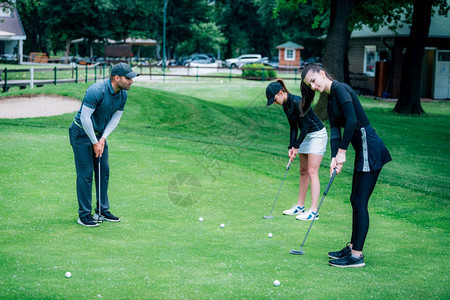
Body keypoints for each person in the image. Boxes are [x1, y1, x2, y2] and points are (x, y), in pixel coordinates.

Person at [300, 63, 392, 267]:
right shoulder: (331, 98)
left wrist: (342, 152)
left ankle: (357, 256)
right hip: (363, 150)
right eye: (310, 85)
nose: (313, 86)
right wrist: (334, 157)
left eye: (314, 81)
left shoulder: (340, 89)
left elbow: (351, 121)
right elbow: (335, 130)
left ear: (322, 74)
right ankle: (353, 246)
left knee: (359, 201)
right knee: (355, 199)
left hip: (370, 146)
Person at [69, 63, 138, 227]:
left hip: (98, 135)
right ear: (117, 78)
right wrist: (94, 142)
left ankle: (101, 210)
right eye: (128, 78)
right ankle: (84, 215)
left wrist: (103, 138)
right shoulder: (96, 90)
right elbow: (85, 119)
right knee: (86, 173)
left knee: (103, 171)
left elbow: (115, 118)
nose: (131, 82)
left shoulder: (122, 95)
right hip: (80, 133)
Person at [266, 79, 328, 221]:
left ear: (281, 92)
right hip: (305, 136)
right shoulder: (286, 105)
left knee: (312, 172)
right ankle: (300, 206)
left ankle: (313, 211)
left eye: (274, 99)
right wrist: (291, 146)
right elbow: (294, 127)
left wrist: (297, 145)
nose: (275, 102)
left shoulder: (298, 102)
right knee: (303, 171)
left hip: (317, 134)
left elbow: (305, 127)